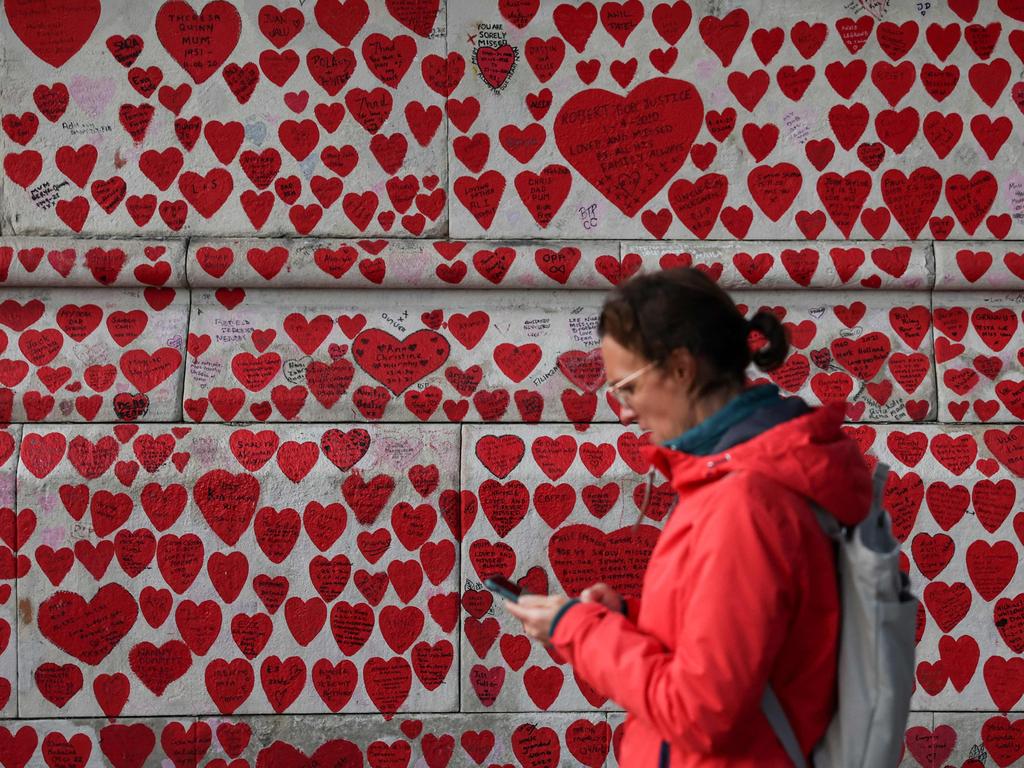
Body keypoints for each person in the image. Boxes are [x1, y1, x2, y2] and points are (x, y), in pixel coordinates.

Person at [503, 267, 874, 767]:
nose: (624, 414)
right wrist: (628, 621)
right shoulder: (738, 478)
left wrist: (581, 630)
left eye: (626, 388)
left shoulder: (744, 502)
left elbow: (700, 713)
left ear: (680, 369)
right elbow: (741, 642)